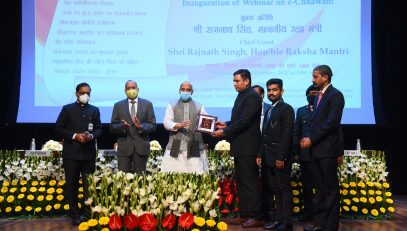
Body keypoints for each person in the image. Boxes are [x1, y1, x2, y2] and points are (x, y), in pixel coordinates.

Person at [212, 69, 264, 228]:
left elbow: (245, 121)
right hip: (240, 146)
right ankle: (245, 214)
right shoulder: (242, 95)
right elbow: (238, 119)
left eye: (237, 81)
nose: (234, 84)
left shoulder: (253, 97)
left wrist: (225, 131)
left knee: (250, 182)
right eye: (234, 81)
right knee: (241, 182)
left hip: (249, 147)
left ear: (246, 81)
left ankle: (255, 216)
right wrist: (226, 124)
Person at [301, 65, 345, 231]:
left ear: (325, 77)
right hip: (316, 151)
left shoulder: (336, 95)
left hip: (327, 150)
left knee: (330, 189)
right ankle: (319, 224)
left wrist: (311, 139)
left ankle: (331, 226)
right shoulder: (319, 96)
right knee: (319, 189)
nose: (312, 80)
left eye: (315, 76)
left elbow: (331, 123)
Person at [55, 82, 102, 225]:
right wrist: (75, 135)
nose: (86, 95)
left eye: (88, 93)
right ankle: (74, 214)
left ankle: (87, 213)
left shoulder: (94, 110)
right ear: (77, 93)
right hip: (71, 154)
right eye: (83, 93)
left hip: (88, 154)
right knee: (72, 185)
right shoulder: (67, 109)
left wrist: (91, 136)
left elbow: (99, 129)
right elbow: (58, 128)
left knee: (89, 186)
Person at [257, 78, 295, 231]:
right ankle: (278, 220)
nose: (271, 93)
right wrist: (260, 154)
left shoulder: (286, 108)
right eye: (269, 90)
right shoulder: (270, 109)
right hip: (268, 156)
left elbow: (287, 135)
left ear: (282, 91)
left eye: (275, 90)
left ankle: (287, 223)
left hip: (279, 158)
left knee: (283, 189)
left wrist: (281, 157)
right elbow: (264, 135)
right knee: (275, 189)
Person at [160, 81, 209, 174]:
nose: (185, 92)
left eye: (188, 90)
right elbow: (166, 122)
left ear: (192, 92)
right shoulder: (172, 105)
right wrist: (177, 125)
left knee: (195, 173)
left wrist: (211, 126)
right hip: (176, 143)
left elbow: (206, 123)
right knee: (172, 173)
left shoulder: (199, 106)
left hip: (194, 144)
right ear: (179, 91)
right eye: (183, 89)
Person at [110, 80, 157, 174]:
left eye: (133, 88)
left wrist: (141, 126)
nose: (131, 90)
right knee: (123, 179)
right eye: (128, 88)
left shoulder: (147, 104)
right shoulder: (118, 105)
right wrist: (122, 126)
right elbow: (112, 126)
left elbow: (153, 125)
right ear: (125, 91)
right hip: (124, 147)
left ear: (138, 89)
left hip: (141, 147)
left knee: (140, 179)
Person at [293, 85, 319, 222]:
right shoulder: (302, 111)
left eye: (314, 93)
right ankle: (308, 212)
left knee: (321, 186)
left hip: (320, 153)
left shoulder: (323, 110)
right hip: (305, 155)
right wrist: (296, 152)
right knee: (307, 186)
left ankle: (321, 214)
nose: (312, 95)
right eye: (309, 93)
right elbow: (297, 132)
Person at [253, 84, 275, 221]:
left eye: (255, 94)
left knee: (268, 182)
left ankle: (268, 211)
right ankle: (256, 211)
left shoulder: (270, 108)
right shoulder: (248, 109)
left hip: (268, 149)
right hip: (252, 148)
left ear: (262, 95)